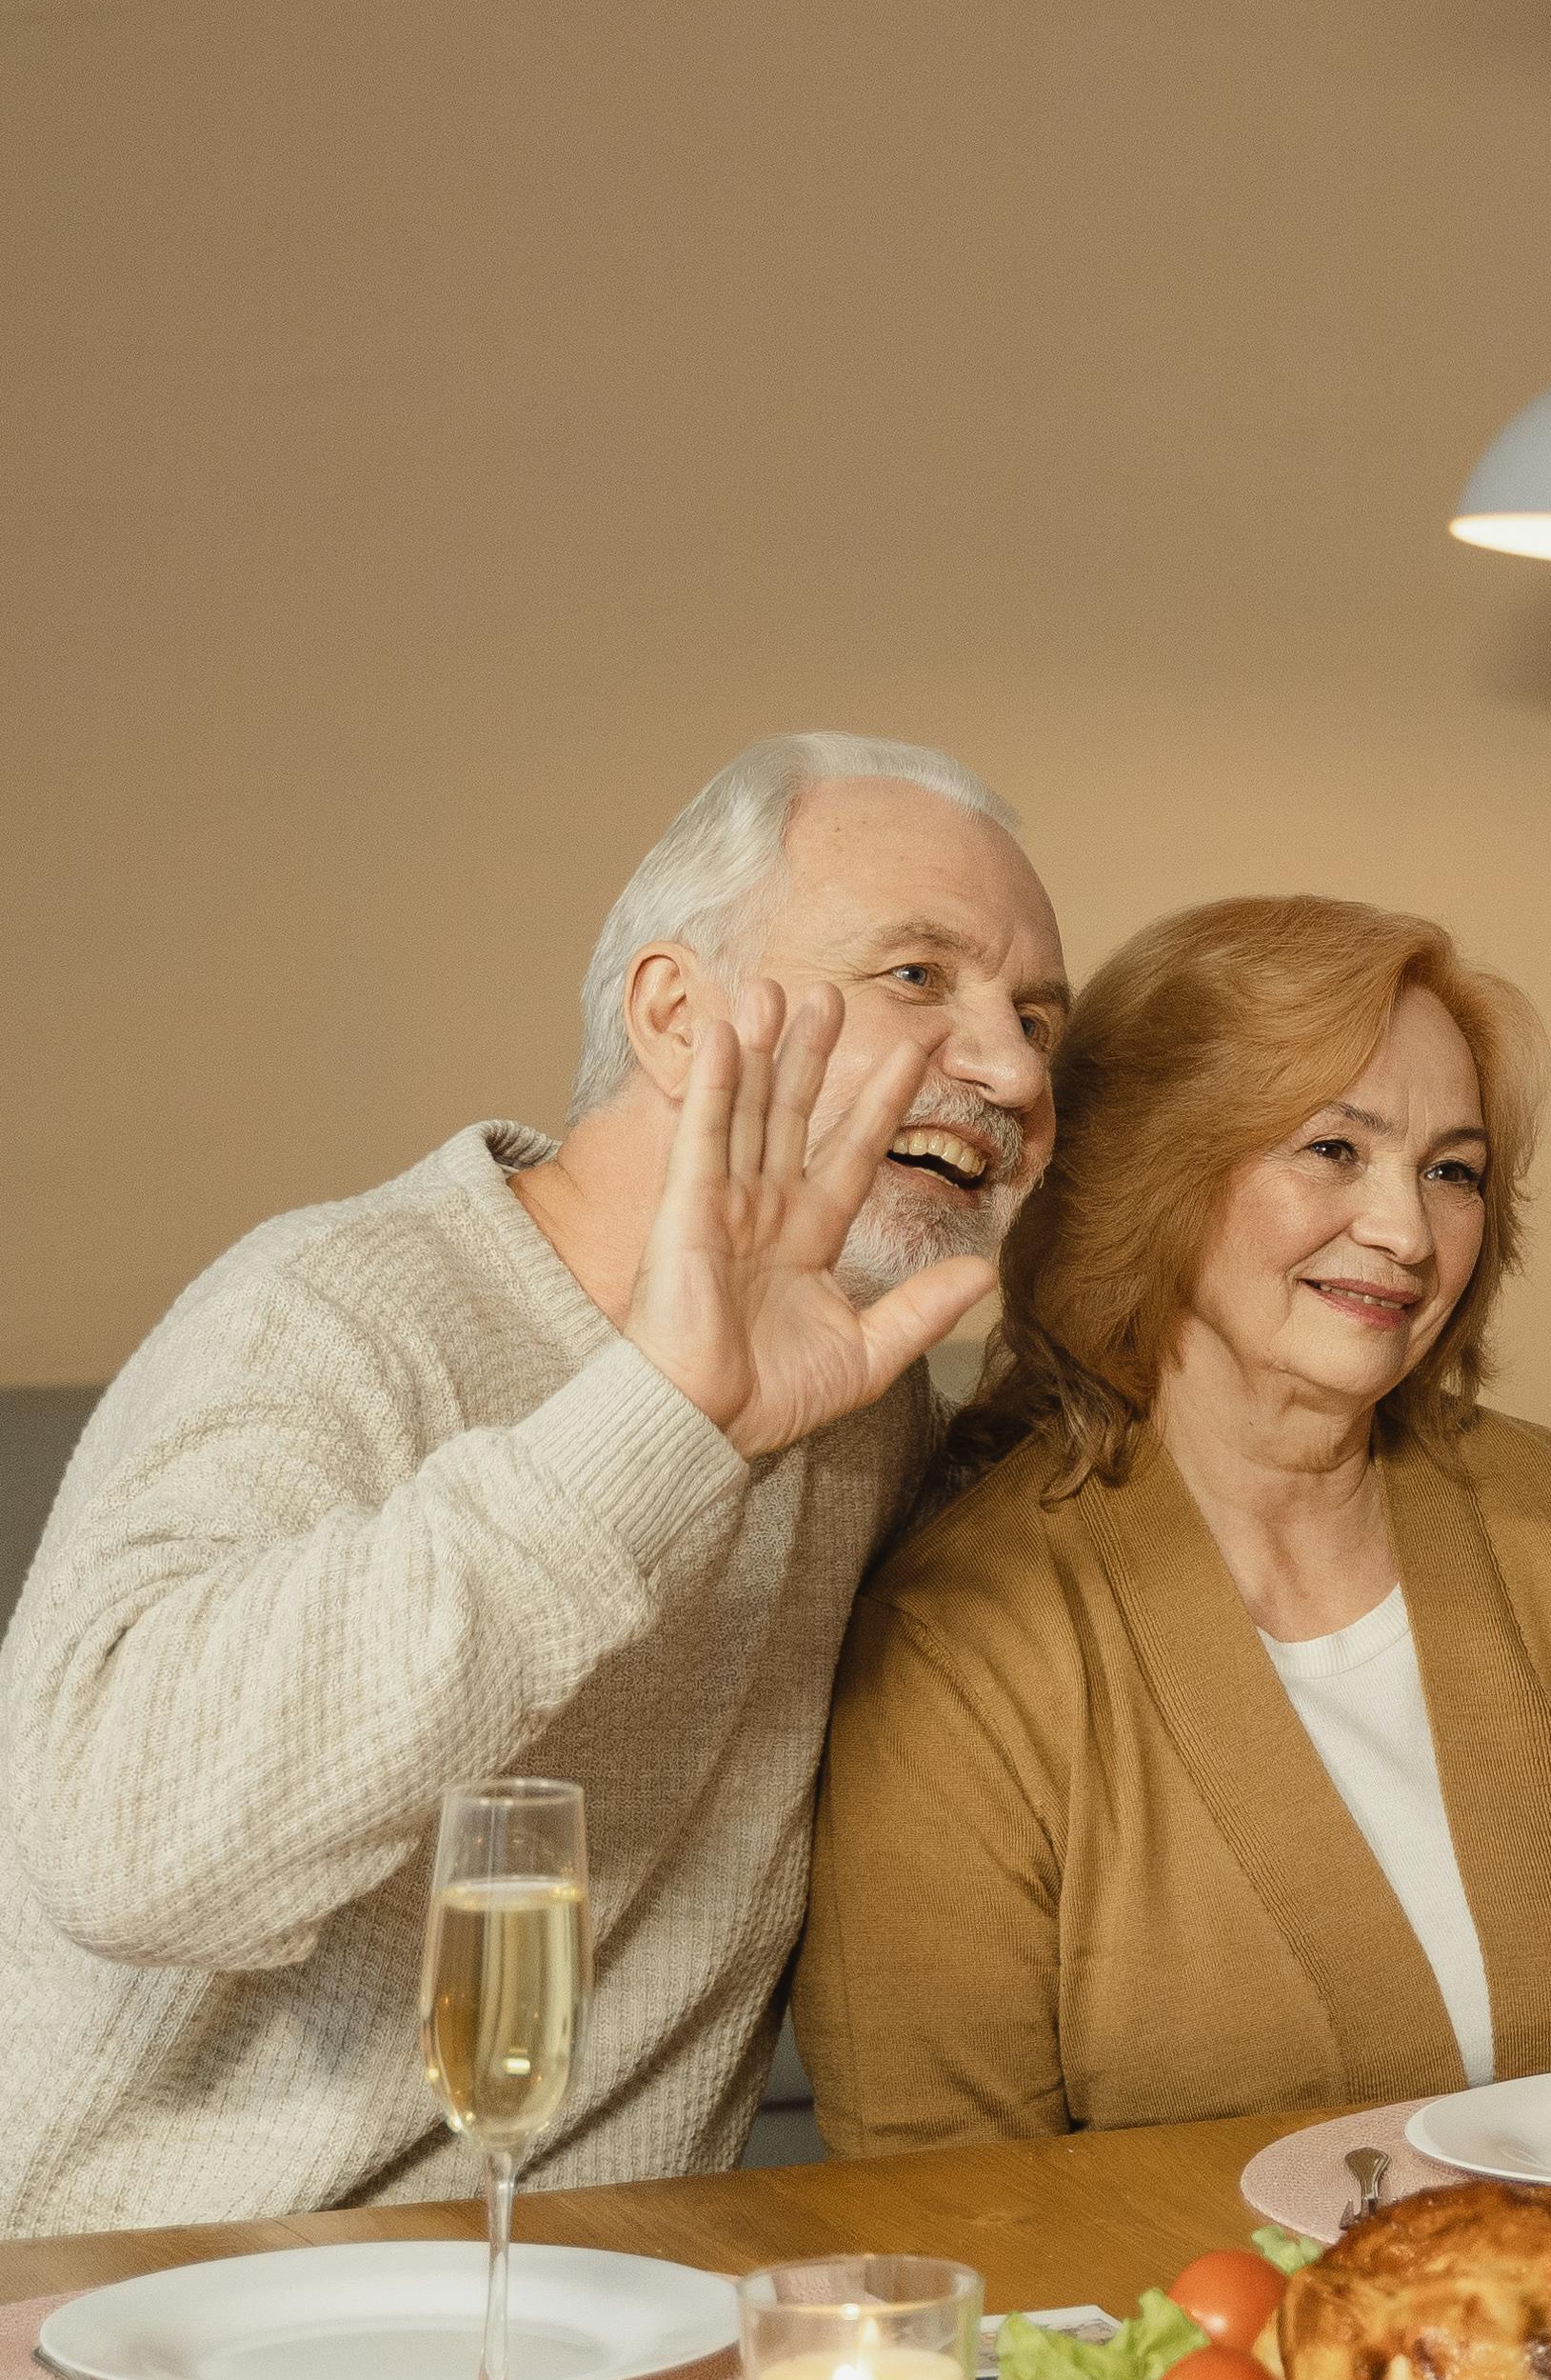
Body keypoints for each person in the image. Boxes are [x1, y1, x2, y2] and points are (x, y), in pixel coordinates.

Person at [0, 735, 1064, 2234]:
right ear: (679, 1015)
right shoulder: (331, 1312)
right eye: (916, 976)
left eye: (1033, 1017)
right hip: (146, 2333)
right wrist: (656, 1419)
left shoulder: (867, 1419)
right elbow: (120, 1847)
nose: (1013, 1066)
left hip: (588, 2336)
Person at [799, 894, 1551, 2147]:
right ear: (1155, 1173)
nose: (1407, 1232)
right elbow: (944, 2201)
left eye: (1451, 1170)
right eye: (1333, 1150)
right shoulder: (962, 1645)